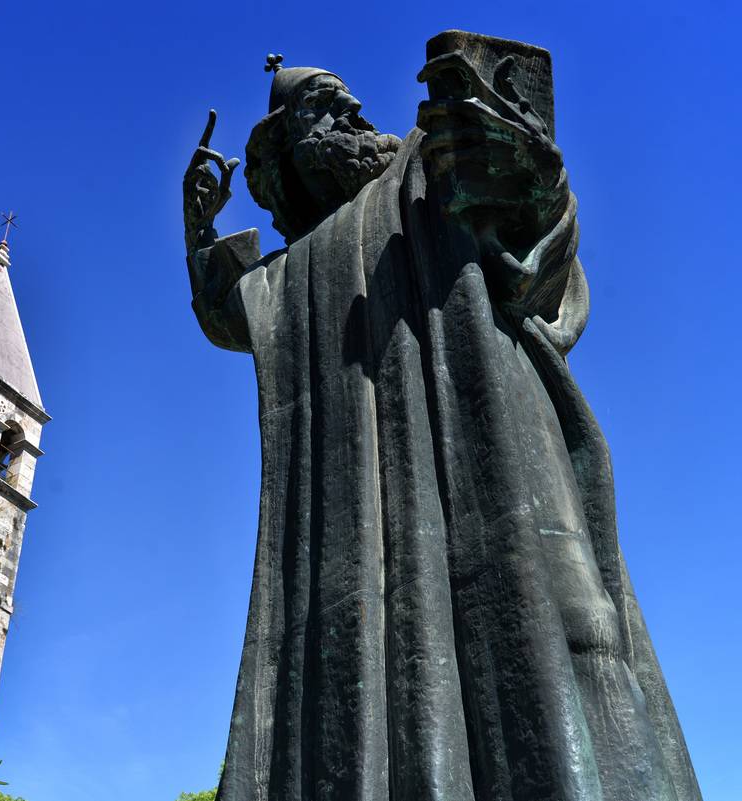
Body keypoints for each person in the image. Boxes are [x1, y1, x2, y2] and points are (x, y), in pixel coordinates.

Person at [182, 34, 701, 801]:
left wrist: (535, 177)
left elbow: (536, 241)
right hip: (361, 546)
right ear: (285, 153)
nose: (355, 110)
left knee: (566, 671)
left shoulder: (433, 168)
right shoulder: (292, 277)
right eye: (326, 108)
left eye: (348, 99)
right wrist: (199, 232)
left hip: (498, 477)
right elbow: (231, 314)